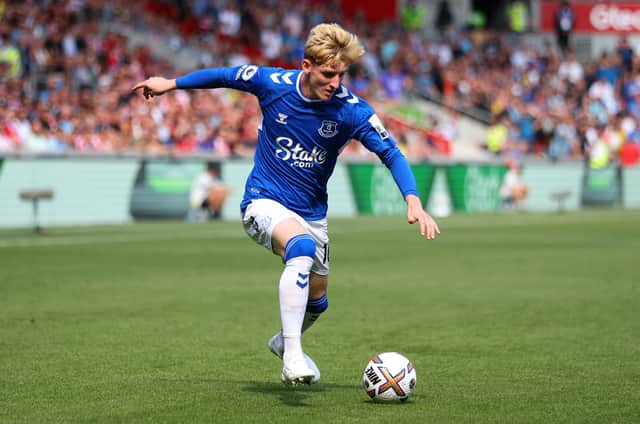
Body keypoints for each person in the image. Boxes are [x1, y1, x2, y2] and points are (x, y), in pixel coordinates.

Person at [132, 23, 440, 386]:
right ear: (306, 66)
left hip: (312, 212)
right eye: (328, 74)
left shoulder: (351, 110)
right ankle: (293, 356)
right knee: (301, 248)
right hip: (262, 201)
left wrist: (414, 200)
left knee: (319, 299)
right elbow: (225, 75)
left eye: (341, 75)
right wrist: (172, 83)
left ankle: (283, 341)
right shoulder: (272, 84)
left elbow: (391, 152)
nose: (335, 83)